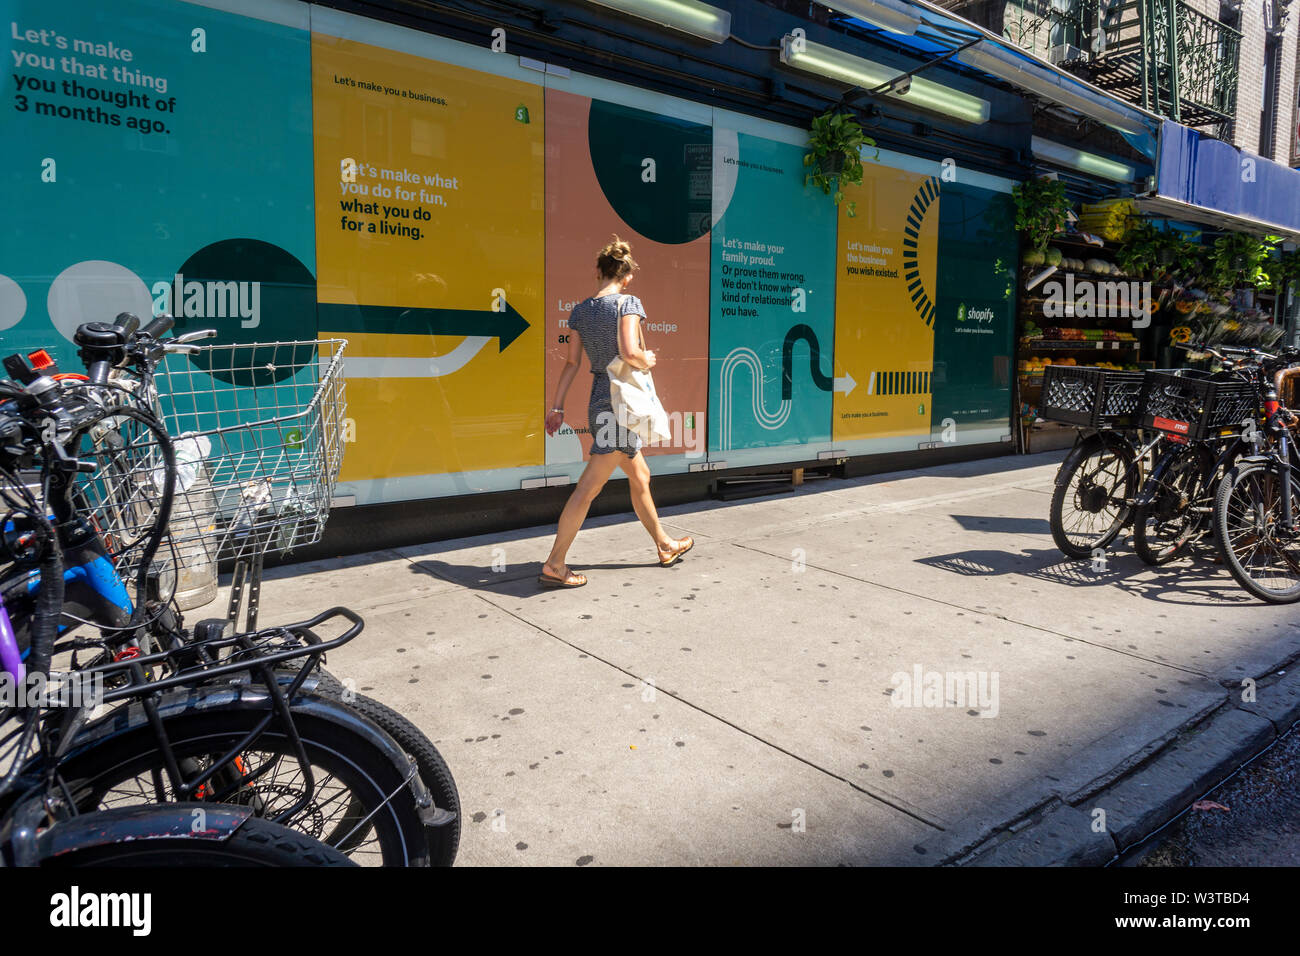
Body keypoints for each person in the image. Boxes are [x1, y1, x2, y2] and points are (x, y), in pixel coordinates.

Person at [540, 237, 693, 588]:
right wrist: (646, 358)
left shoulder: (580, 311)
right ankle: (555, 563)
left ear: (599, 271)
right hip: (618, 407)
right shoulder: (628, 303)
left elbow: (571, 363)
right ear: (626, 277)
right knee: (588, 489)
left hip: (600, 400)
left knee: (640, 477)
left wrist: (557, 407)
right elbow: (628, 351)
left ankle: (664, 545)